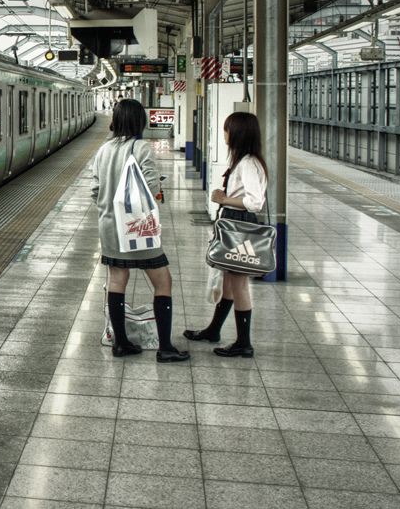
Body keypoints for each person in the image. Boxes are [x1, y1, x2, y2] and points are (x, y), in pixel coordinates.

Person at [91, 99, 189, 363]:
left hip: (110, 228)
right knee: (163, 281)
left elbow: (95, 190)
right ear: (140, 121)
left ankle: (120, 343)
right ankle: (166, 347)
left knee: (116, 282)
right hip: (137, 228)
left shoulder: (104, 150)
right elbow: (152, 184)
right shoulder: (141, 147)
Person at [184, 111, 268, 358]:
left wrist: (225, 199)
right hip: (233, 223)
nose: (224, 134)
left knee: (239, 284)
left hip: (239, 225)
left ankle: (244, 343)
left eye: (227, 129)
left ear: (238, 133)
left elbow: (255, 202)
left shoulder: (249, 164)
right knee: (230, 282)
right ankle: (214, 330)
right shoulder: (244, 161)